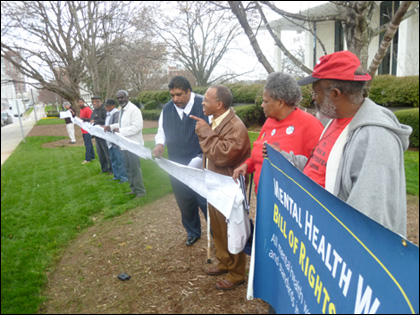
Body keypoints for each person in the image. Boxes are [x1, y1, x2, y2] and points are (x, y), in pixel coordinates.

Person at [273, 50, 412, 236]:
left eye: (316, 92)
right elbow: (323, 168)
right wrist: (285, 158)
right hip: (316, 228)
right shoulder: (334, 121)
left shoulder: (376, 137)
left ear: (336, 94)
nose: (314, 98)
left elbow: (369, 220)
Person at [190, 85, 251, 291]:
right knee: (218, 227)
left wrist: (205, 133)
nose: (203, 103)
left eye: (206, 100)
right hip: (216, 185)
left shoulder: (236, 127)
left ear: (219, 104)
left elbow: (223, 155)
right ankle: (225, 261)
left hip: (229, 188)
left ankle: (237, 273)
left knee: (232, 229)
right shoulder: (216, 120)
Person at [232, 72, 324, 193]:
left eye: (265, 101)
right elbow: (259, 152)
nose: (262, 105)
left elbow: (318, 170)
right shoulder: (269, 122)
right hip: (264, 198)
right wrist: (247, 165)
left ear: (280, 103)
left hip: (288, 203)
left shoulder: (310, 125)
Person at [152, 76, 209, 247]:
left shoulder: (203, 105)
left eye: (179, 95)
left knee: (205, 201)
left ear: (189, 92)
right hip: (176, 164)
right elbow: (161, 131)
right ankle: (192, 231)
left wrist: (203, 157)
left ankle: (217, 233)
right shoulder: (168, 109)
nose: (175, 99)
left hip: (201, 163)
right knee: (184, 201)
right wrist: (160, 145)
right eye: (172, 95)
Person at [104, 90, 146, 199]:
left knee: (135, 169)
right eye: (118, 98)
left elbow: (137, 127)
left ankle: (141, 191)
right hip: (125, 144)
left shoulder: (134, 110)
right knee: (128, 168)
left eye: (122, 97)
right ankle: (133, 189)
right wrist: (111, 127)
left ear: (128, 97)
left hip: (133, 144)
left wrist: (120, 131)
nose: (120, 100)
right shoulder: (122, 109)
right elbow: (121, 123)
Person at [103, 99, 128, 183]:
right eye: (106, 106)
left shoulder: (116, 113)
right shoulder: (109, 113)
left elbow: (116, 126)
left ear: (113, 105)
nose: (106, 107)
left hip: (116, 141)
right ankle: (116, 176)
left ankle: (124, 178)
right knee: (113, 160)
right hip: (110, 140)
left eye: (108, 106)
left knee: (119, 160)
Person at [90, 96, 112, 174]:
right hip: (97, 135)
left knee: (107, 152)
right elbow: (91, 119)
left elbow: (106, 120)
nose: (94, 103)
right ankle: (104, 168)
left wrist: (95, 122)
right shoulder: (94, 111)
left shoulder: (104, 109)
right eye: (93, 102)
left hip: (104, 135)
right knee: (100, 153)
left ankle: (111, 169)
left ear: (100, 101)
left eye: (96, 101)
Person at [78, 98, 95, 164]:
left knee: (87, 144)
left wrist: (83, 119)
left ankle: (88, 159)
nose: (80, 104)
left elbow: (91, 119)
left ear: (84, 102)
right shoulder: (81, 110)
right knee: (89, 143)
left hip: (87, 130)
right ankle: (92, 156)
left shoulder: (87, 109)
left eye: (81, 102)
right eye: (79, 103)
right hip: (83, 129)